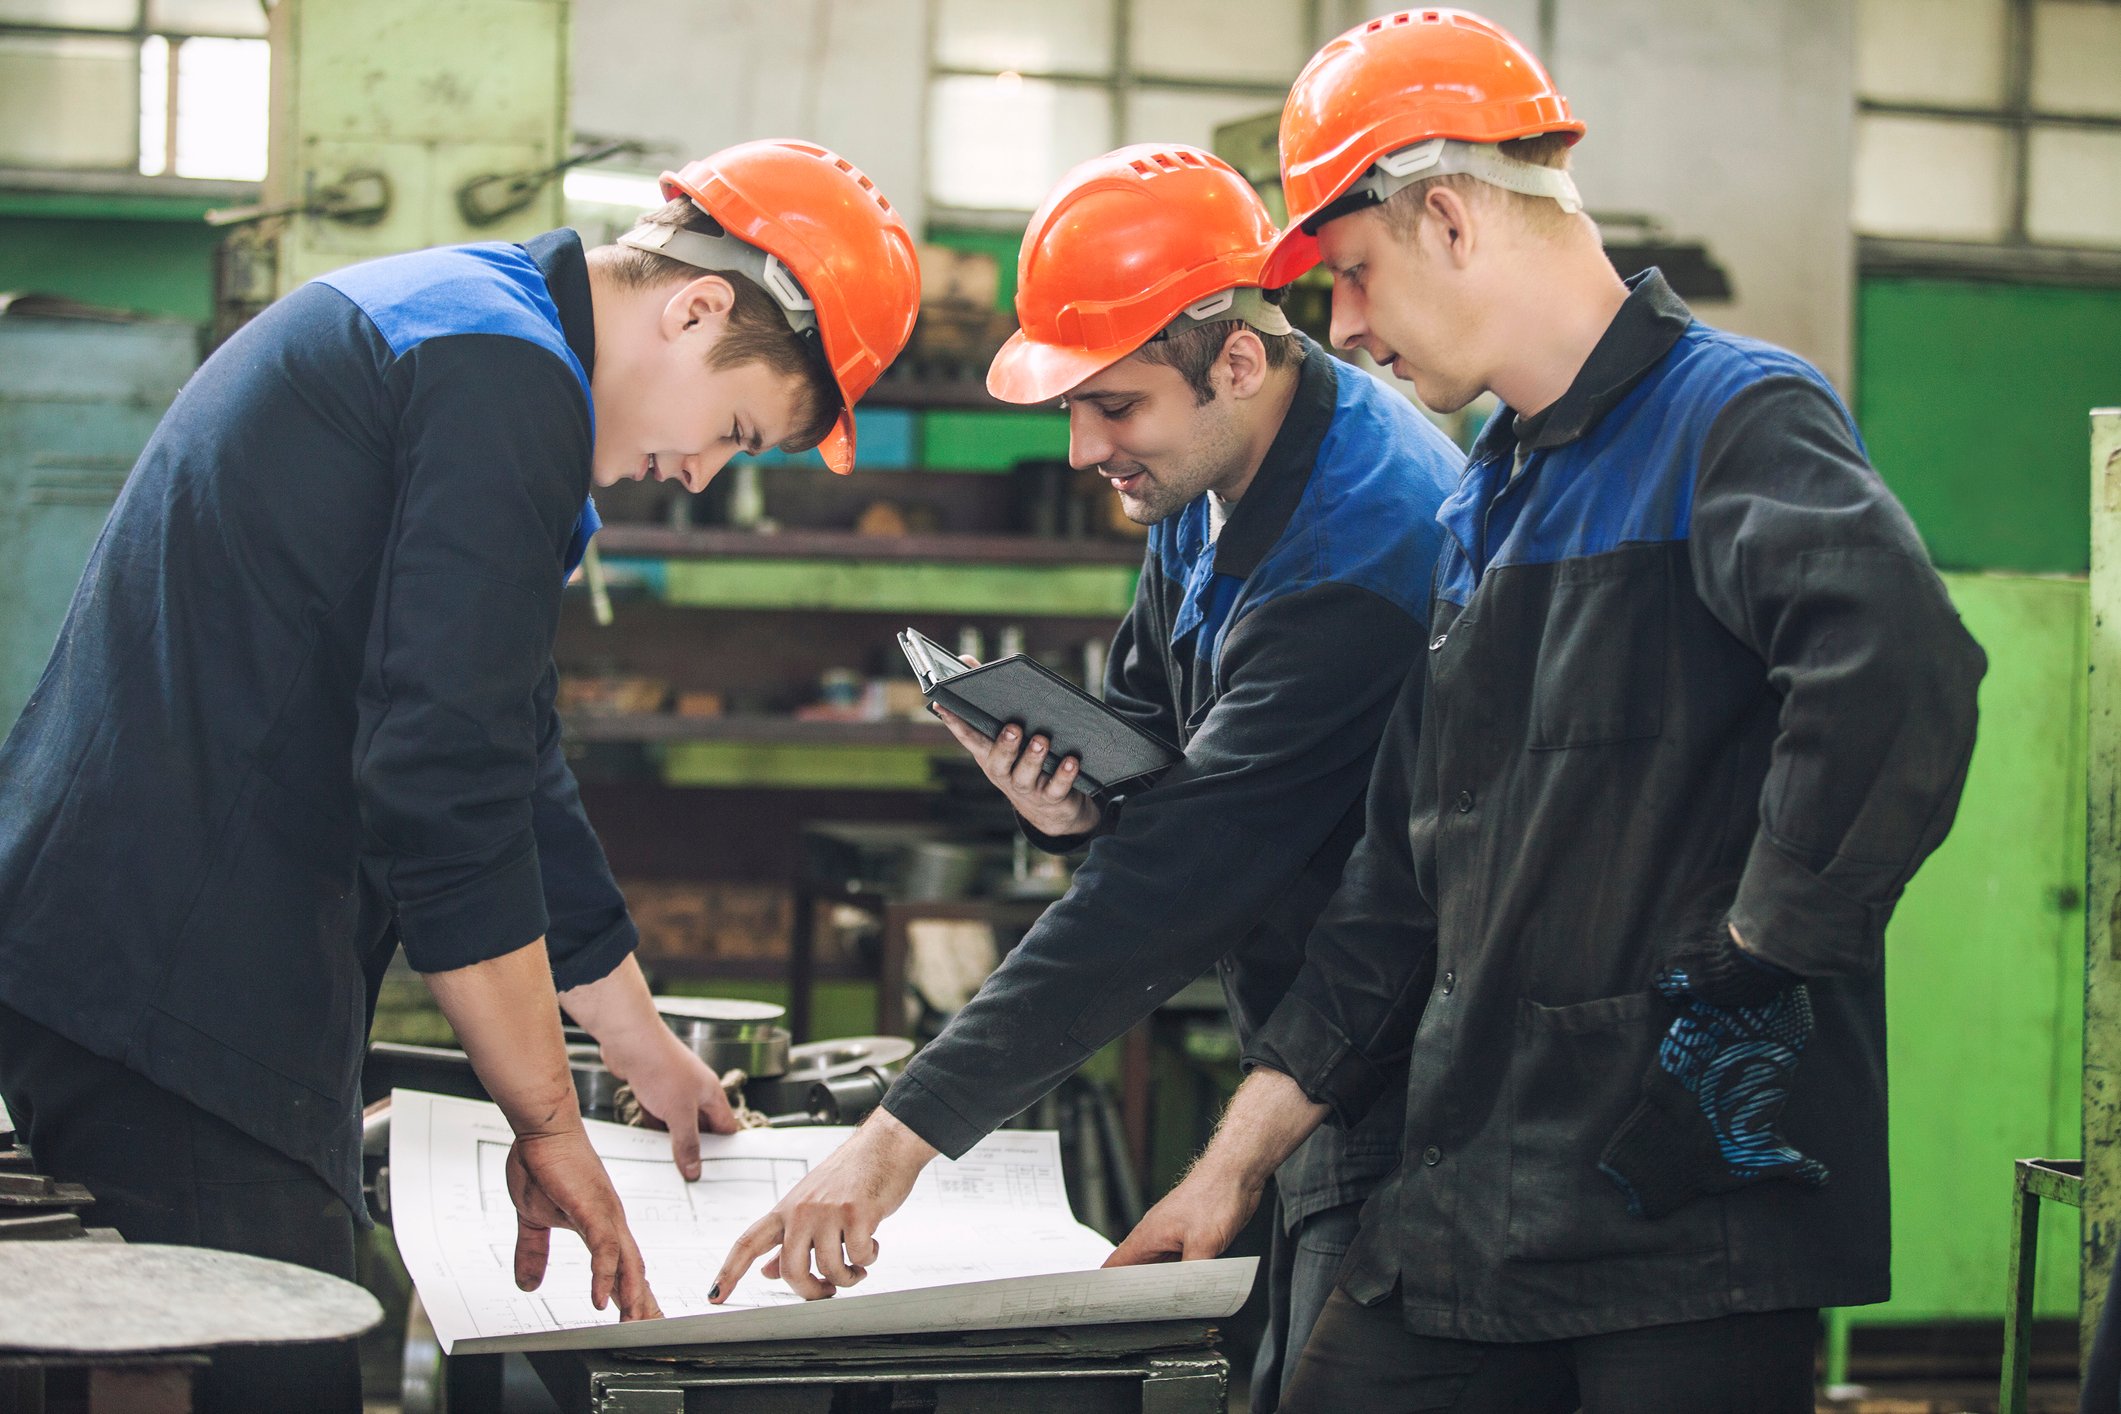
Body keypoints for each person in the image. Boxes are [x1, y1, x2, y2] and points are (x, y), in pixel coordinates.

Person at [1102, 12, 1988, 1413]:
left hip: (1681, 1224)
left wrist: (1752, 972)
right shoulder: (1483, 501)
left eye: (1347, 274)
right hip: (1466, 1207)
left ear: (1446, 215)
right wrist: (1228, 1171)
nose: (1341, 327)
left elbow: (1900, 674)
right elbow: (1398, 897)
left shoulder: (1732, 421)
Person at [0, 139, 918, 1412]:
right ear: (695, 306)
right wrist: (547, 1122)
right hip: (175, 980)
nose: (700, 473)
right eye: (732, 430)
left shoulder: (471, 324)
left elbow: (508, 742)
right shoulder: (503, 377)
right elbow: (443, 773)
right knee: (272, 1382)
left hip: (143, 951)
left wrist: (637, 1040)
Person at [710, 143, 1463, 1409]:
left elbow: (1168, 884)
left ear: (1233, 358)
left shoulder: (1360, 553)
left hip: (1398, 1069)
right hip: (1301, 1033)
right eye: (1073, 407)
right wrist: (1074, 800)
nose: (1081, 448)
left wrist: (898, 1141)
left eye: (1111, 406)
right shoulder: (1210, 465)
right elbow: (1148, 721)